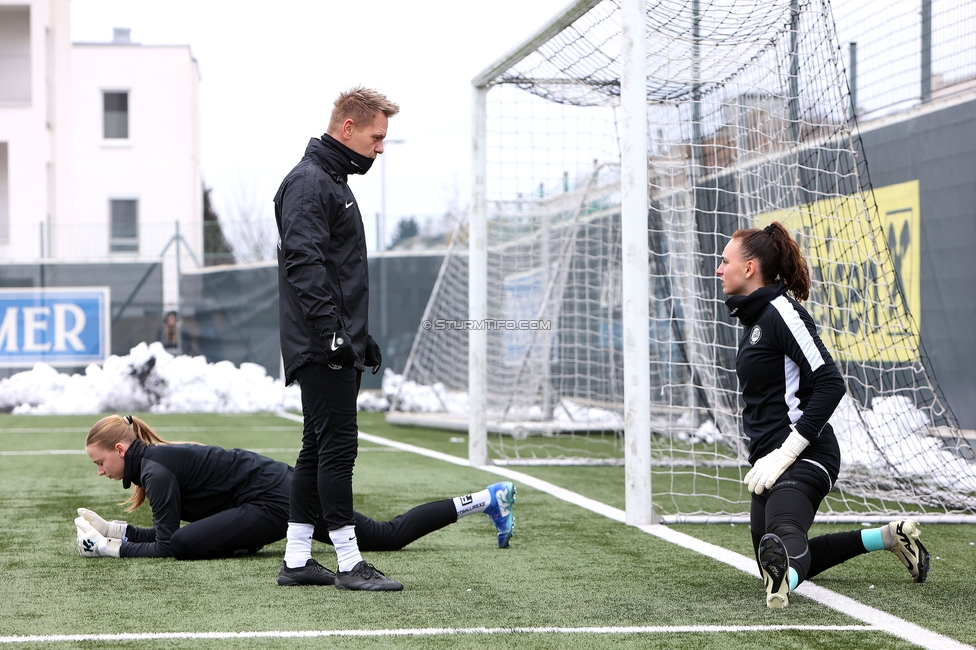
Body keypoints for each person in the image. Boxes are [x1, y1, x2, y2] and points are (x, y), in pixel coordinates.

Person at [716, 222, 930, 608]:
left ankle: (785, 583)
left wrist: (788, 452)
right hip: (771, 460)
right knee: (770, 559)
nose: (718, 268)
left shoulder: (782, 312)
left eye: (725, 260)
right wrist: (773, 456)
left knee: (783, 536)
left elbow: (831, 382)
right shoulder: (753, 320)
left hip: (807, 453)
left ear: (748, 268)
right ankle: (886, 538)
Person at [74, 414, 518, 590]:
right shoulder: (153, 465)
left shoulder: (156, 470)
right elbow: (170, 533)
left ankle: (483, 498)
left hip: (276, 499)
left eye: (99, 463)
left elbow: (171, 544)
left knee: (186, 547)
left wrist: (110, 548)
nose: (100, 473)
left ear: (119, 450)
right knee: (386, 535)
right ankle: (486, 499)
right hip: (279, 490)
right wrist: (119, 528)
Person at [274, 87, 402, 590]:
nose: (380, 148)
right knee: (338, 449)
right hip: (318, 343)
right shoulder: (310, 184)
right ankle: (350, 564)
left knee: (316, 446)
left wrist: (356, 336)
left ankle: (297, 558)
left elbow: (332, 269)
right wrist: (331, 334)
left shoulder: (330, 181)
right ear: (347, 128)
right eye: (377, 137)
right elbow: (303, 263)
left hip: (329, 340)